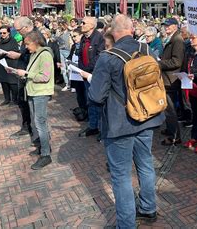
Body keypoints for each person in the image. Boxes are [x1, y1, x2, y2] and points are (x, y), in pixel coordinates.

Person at [88, 14, 165, 228]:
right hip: (147, 116)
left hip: (119, 123)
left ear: (113, 31)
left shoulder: (108, 57)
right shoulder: (148, 50)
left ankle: (126, 224)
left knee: (121, 175)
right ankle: (148, 209)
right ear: (132, 29)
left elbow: (96, 96)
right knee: (145, 164)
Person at [13, 31, 55, 170]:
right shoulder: (34, 54)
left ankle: (45, 154)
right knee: (37, 121)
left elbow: (45, 76)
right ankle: (44, 147)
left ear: (36, 42)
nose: (26, 47)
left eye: (27, 44)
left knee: (40, 122)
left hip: (40, 93)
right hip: (33, 91)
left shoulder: (45, 54)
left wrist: (26, 74)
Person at [7, 17, 39, 137]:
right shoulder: (27, 35)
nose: (17, 32)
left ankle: (35, 133)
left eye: (18, 30)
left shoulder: (36, 37)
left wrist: (18, 56)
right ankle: (27, 126)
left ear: (25, 27)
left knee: (32, 106)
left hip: (30, 76)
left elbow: (37, 57)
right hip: (23, 73)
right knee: (22, 102)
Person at [77, 16, 105, 140]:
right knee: (90, 101)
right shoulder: (84, 38)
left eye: (83, 23)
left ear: (92, 26)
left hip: (95, 75)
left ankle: (101, 128)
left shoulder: (100, 39)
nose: (81, 24)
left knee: (98, 102)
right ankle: (93, 126)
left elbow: (99, 57)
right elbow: (80, 54)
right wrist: (81, 68)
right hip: (85, 74)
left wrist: (87, 69)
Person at [159, 17, 185, 145]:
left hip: (171, 79)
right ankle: (171, 130)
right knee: (167, 107)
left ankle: (175, 136)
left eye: (169, 25)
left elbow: (177, 61)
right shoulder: (172, 39)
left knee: (170, 109)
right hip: (168, 78)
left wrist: (159, 63)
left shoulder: (177, 40)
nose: (166, 27)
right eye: (165, 25)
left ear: (175, 26)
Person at [0, 25, 20, 106]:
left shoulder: (13, 41)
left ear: (8, 33)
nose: (2, 34)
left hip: (10, 64)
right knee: (4, 83)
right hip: (0, 64)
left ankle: (15, 99)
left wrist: (5, 53)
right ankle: (7, 99)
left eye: (4, 33)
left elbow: (16, 52)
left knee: (12, 83)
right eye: (1, 33)